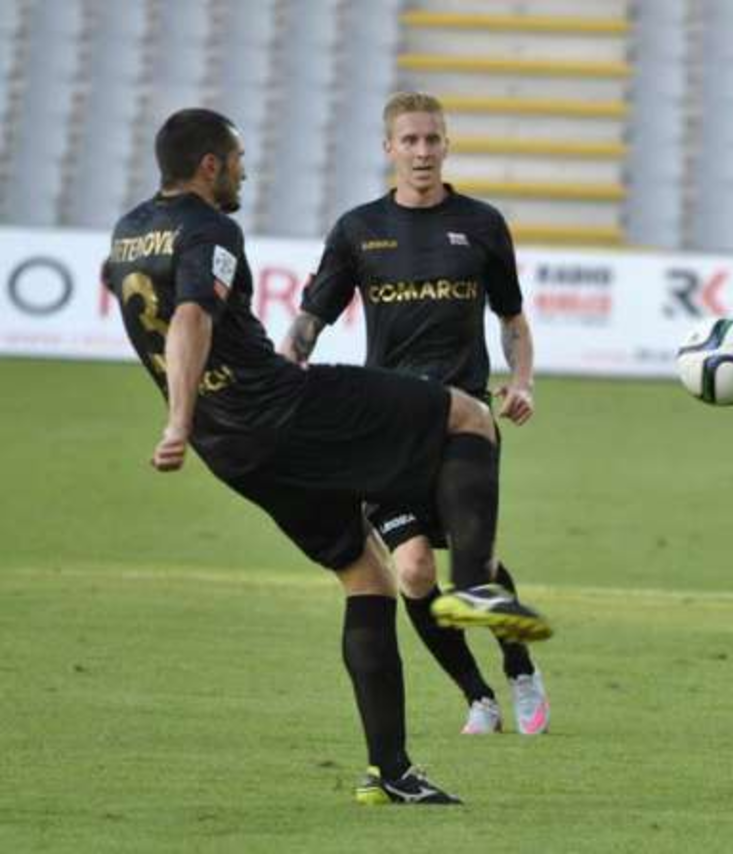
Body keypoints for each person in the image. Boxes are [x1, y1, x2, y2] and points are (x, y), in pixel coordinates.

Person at [103, 108, 552, 805]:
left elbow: (150, 318)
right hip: (280, 409)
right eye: (238, 160)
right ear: (210, 165)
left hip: (233, 448)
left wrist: (195, 418)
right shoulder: (211, 228)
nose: (245, 171)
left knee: (367, 578)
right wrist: (176, 420)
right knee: (468, 414)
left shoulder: (127, 234)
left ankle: (391, 773)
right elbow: (191, 316)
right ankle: (473, 587)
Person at [279, 92, 549, 737]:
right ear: (389, 148)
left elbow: (512, 319)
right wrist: (283, 380)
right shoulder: (358, 230)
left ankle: (520, 669)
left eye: (432, 139)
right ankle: (477, 696)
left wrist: (523, 382)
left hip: (464, 420)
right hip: (388, 424)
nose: (422, 151)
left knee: (475, 564)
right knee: (413, 568)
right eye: (410, 140)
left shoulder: (482, 224)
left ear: (447, 145)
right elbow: (311, 321)